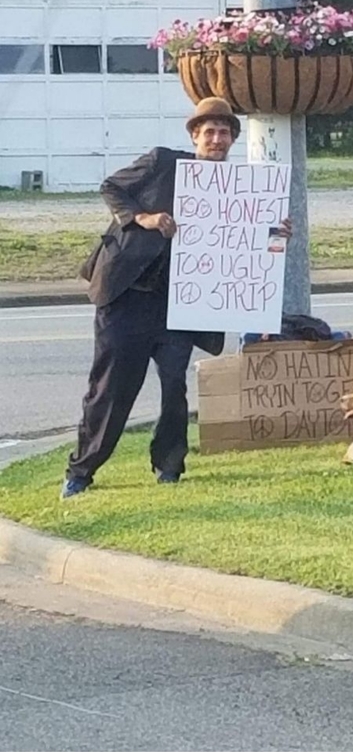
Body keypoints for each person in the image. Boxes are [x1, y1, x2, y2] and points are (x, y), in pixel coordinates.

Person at [62, 97, 291, 499]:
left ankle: (169, 465)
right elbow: (111, 187)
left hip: (183, 304)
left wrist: (277, 232)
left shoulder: (240, 189)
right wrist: (142, 218)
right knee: (112, 387)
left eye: (224, 133)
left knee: (174, 386)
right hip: (128, 294)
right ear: (194, 136)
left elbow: (249, 244)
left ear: (232, 140)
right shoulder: (162, 162)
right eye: (209, 132)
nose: (216, 139)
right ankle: (82, 470)